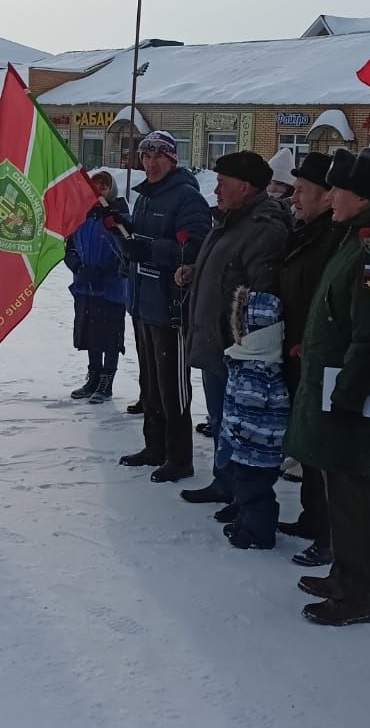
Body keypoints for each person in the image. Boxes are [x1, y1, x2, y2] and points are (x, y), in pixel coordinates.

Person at [283, 148, 370, 627]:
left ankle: (358, 595)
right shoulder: (355, 238)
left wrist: (349, 396)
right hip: (335, 384)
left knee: (353, 489)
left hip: (352, 391)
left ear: (361, 198)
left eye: (338, 189)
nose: (329, 195)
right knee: (339, 484)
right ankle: (344, 574)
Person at [174, 151, 291, 507]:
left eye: (223, 183)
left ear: (244, 186)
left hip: (237, 350)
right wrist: (197, 272)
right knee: (220, 419)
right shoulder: (230, 220)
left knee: (240, 424)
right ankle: (224, 483)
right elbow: (228, 268)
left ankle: (243, 495)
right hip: (216, 342)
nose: (216, 190)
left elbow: (262, 293)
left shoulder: (263, 228)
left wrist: (243, 345)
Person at [110, 131, 213, 482]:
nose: (151, 164)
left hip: (171, 308)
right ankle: (154, 446)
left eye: (159, 157)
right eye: (146, 157)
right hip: (142, 304)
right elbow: (137, 243)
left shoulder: (186, 197)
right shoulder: (145, 196)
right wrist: (122, 233)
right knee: (150, 384)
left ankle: (179, 457)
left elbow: (198, 249)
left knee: (173, 387)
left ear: (172, 160)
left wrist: (151, 249)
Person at [272, 152, 340, 567]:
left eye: (301, 190)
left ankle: (329, 530)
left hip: (317, 357)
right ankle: (313, 517)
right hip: (299, 352)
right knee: (308, 444)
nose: (293, 197)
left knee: (323, 448)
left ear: (328, 196)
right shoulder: (308, 232)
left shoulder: (333, 239)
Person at [216, 289, 291, 549]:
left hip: (255, 449)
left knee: (254, 492)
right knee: (248, 489)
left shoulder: (256, 369)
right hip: (254, 450)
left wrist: (234, 437)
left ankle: (260, 533)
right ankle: (246, 523)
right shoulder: (256, 361)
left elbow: (249, 412)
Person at [65, 170, 130, 404]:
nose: (99, 190)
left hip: (110, 289)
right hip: (85, 287)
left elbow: (125, 249)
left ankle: (106, 380)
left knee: (110, 337)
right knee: (91, 334)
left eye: (103, 186)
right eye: (95, 186)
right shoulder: (82, 215)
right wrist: (78, 268)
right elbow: (69, 246)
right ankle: (93, 375)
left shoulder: (117, 215)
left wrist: (103, 271)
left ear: (110, 190)